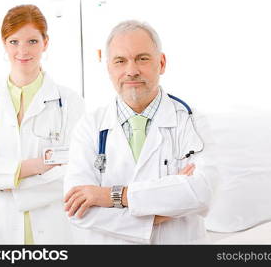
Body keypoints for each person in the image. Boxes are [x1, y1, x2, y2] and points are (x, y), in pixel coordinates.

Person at [63, 20, 216, 244]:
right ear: (109, 68)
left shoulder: (190, 121)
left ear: (161, 63)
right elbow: (78, 209)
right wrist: (161, 212)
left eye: (142, 59)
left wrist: (109, 196)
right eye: (120, 61)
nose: (131, 70)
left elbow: (203, 193)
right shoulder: (90, 127)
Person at [0, 4, 85, 244]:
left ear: (45, 43)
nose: (23, 50)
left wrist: (0, 178)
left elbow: (74, 171)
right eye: (14, 42)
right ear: (4, 44)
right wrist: (34, 166)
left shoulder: (70, 102)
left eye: (32, 41)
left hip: (53, 232)